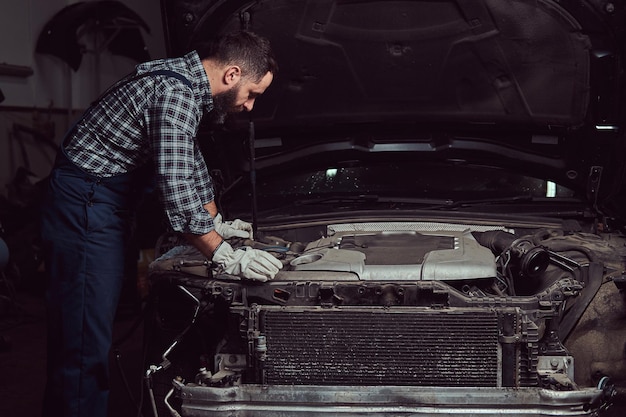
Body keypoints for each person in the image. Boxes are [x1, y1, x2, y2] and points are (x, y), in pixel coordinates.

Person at [39, 30, 282, 417]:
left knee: (87, 334)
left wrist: (217, 221)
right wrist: (222, 254)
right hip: (86, 205)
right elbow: (174, 186)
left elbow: (190, 164)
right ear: (232, 74)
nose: (251, 107)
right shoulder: (174, 94)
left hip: (101, 201)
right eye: (252, 93)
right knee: (84, 343)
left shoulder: (183, 84)